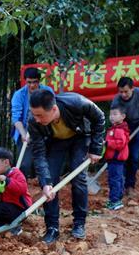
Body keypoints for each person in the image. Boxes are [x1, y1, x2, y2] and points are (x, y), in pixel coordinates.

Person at [28, 89, 104, 244]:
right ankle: (52, 228)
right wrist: (45, 182)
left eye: (40, 115)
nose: (36, 119)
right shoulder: (33, 121)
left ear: (54, 109)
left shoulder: (76, 103)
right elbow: (39, 154)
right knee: (51, 184)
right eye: (34, 114)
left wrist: (95, 148)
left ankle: (79, 224)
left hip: (79, 138)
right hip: (55, 142)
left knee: (79, 178)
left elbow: (99, 117)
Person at [10, 67, 53, 177]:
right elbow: (16, 118)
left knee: (46, 163)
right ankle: (23, 189)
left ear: (39, 81)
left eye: (35, 82)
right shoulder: (19, 95)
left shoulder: (47, 92)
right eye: (29, 82)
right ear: (25, 81)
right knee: (24, 164)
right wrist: (23, 134)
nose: (32, 85)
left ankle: (46, 187)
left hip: (44, 131)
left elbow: (52, 111)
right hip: (24, 131)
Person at [110, 77, 139, 197]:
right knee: (121, 158)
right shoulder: (116, 100)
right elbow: (113, 118)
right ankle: (120, 186)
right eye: (121, 91)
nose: (123, 94)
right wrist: (120, 133)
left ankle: (130, 186)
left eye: (126, 91)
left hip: (137, 126)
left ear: (132, 88)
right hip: (122, 129)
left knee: (134, 157)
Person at [104, 107, 130, 211]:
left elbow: (120, 144)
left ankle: (115, 201)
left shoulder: (119, 130)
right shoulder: (114, 129)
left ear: (123, 117)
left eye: (115, 114)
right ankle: (117, 199)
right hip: (113, 159)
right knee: (117, 178)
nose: (112, 117)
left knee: (114, 179)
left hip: (116, 159)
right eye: (110, 114)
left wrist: (107, 143)